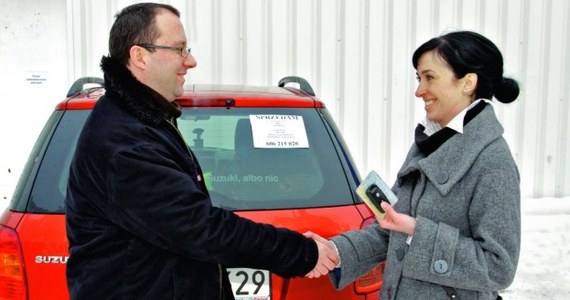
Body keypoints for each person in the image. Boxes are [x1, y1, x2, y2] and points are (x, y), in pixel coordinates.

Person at [65, 3, 335, 299]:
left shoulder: (144, 120)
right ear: (139, 56)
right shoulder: (123, 143)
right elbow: (200, 228)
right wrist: (301, 252)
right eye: (179, 49)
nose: (190, 60)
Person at [307, 30, 521, 299]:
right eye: (419, 78)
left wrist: (417, 231)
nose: (419, 91)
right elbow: (391, 232)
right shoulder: (430, 142)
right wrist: (334, 251)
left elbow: (498, 268)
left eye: (430, 77)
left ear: (467, 83)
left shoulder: (493, 161)